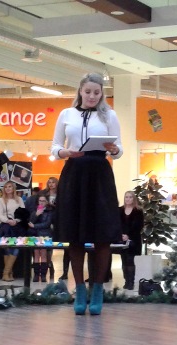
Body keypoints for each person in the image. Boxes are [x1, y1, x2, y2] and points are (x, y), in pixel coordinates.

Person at [51, 72, 123, 316]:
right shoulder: (66, 114)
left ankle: (98, 289)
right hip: (74, 173)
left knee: (102, 235)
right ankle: (80, 290)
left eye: (97, 92)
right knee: (75, 235)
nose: (92, 96)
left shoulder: (110, 115)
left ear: (102, 93)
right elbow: (55, 146)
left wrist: (114, 149)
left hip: (100, 174)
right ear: (80, 91)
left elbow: (119, 149)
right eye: (88, 91)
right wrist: (63, 153)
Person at [0, 181, 26, 282]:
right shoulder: (1, 200)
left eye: (10, 187)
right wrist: (7, 221)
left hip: (17, 227)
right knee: (7, 249)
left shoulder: (19, 199)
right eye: (6, 187)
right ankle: (8, 273)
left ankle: (6, 273)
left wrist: (16, 220)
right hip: (6, 227)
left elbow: (23, 214)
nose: (8, 188)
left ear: (13, 188)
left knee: (16, 248)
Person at [120, 190, 144, 290]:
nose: (128, 199)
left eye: (130, 197)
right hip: (121, 240)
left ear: (134, 199)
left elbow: (139, 226)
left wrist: (128, 236)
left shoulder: (138, 211)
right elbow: (117, 224)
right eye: (126, 197)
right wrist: (121, 235)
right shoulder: (120, 210)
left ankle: (131, 282)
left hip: (134, 240)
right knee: (124, 261)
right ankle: (126, 281)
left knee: (130, 260)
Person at [28, 191, 54, 282]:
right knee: (36, 254)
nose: (41, 202)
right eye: (40, 201)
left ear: (46, 202)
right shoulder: (34, 211)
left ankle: (43, 275)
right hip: (35, 235)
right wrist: (36, 215)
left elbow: (47, 224)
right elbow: (30, 222)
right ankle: (36, 275)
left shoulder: (49, 211)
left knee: (43, 254)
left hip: (45, 234)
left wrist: (34, 226)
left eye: (43, 201)